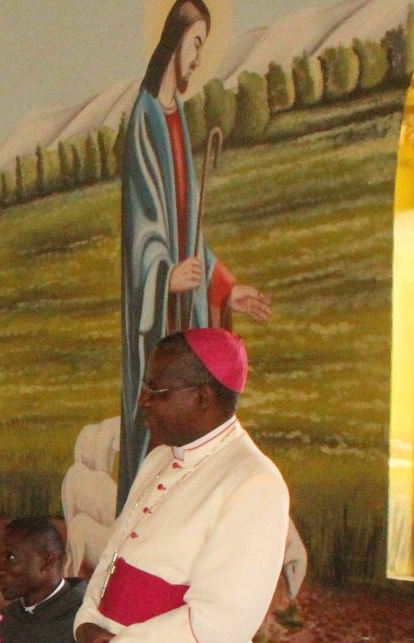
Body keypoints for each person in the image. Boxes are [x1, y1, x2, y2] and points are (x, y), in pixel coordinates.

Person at [75, 329, 288, 643]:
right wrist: (88, 624)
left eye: (157, 391)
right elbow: (112, 559)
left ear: (203, 397)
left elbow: (221, 624)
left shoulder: (253, 481)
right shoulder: (158, 461)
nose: (143, 403)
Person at [118, 0, 270, 513]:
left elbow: (189, 231)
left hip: (181, 301)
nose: (200, 56)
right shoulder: (144, 118)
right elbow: (144, 227)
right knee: (156, 420)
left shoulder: (176, 115)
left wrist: (225, 284)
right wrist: (163, 276)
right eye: (196, 43)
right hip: (158, 314)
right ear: (175, 41)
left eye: (206, 44)